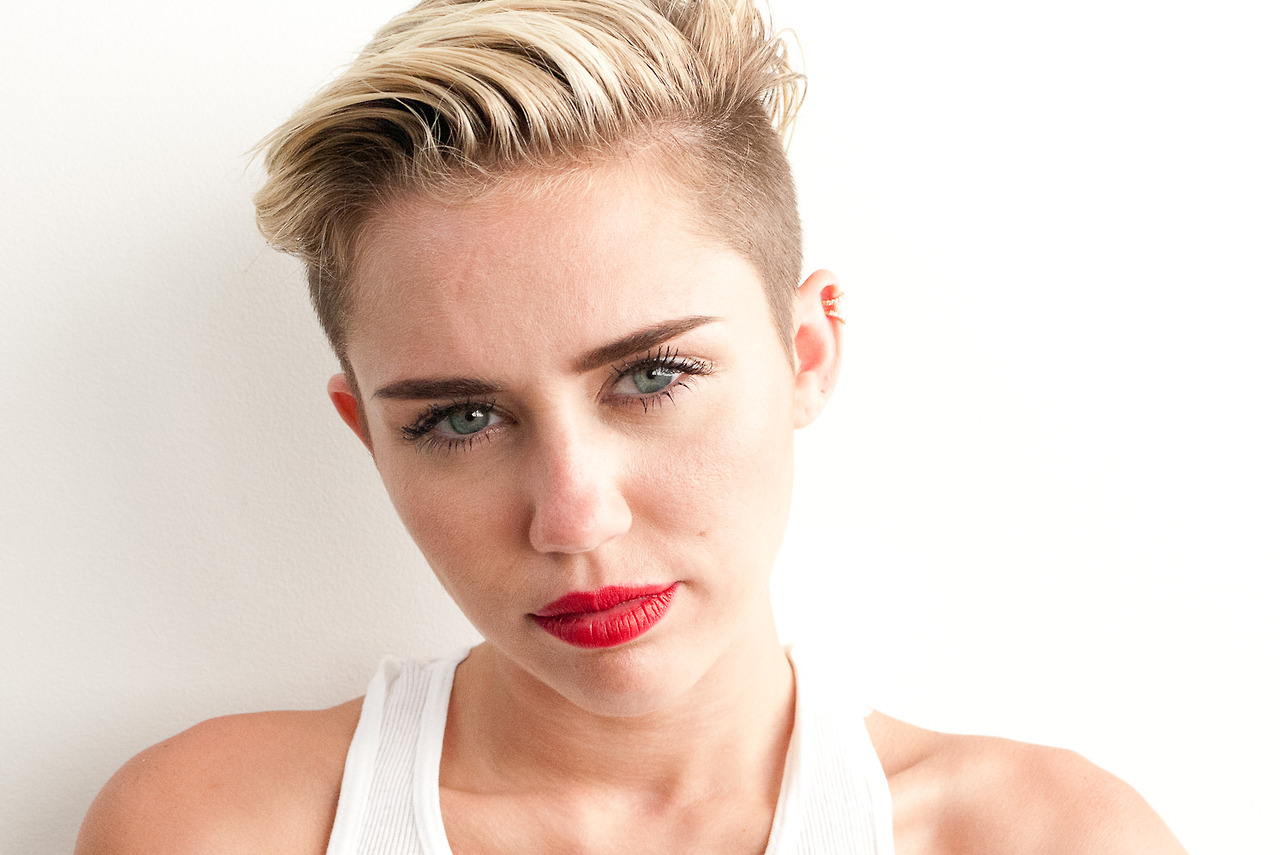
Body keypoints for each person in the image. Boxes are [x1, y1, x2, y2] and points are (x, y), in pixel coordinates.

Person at [76, 1, 1188, 853]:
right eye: (461, 418)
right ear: (368, 435)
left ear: (806, 354)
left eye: (652, 376)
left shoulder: (1044, 838)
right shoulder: (221, 828)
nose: (573, 517)